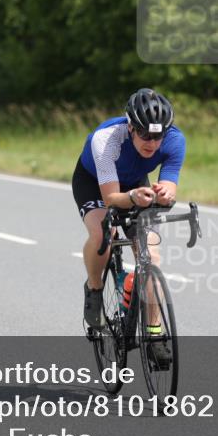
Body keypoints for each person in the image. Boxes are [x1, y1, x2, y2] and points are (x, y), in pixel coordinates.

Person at [73, 88, 185, 364]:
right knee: (103, 235)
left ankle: (155, 334)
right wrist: (133, 197)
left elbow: (169, 184)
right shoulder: (106, 139)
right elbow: (111, 198)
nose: (152, 142)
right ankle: (95, 290)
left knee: (152, 256)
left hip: (135, 182)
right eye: (145, 134)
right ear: (131, 127)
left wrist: (165, 193)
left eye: (157, 136)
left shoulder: (175, 141)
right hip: (95, 183)